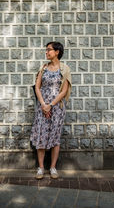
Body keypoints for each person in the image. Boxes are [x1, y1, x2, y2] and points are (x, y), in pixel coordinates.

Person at [30, 41, 71, 179]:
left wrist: (51, 105)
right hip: (42, 107)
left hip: (57, 108)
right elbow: (37, 87)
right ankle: (41, 168)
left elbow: (64, 91)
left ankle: (53, 167)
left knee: (55, 136)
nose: (46, 52)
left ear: (57, 52)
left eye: (49, 50)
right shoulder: (43, 68)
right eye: (46, 50)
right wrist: (43, 105)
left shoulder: (64, 69)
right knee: (41, 134)